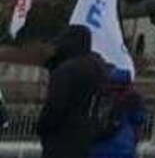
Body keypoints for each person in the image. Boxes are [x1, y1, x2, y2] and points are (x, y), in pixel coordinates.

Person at [36, 25, 107, 158]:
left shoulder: (66, 70)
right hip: (87, 136)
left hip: (62, 137)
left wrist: (42, 126)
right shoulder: (100, 69)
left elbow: (55, 106)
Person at [86, 67, 147, 158]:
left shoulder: (101, 96)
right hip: (124, 148)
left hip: (98, 147)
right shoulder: (133, 99)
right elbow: (139, 122)